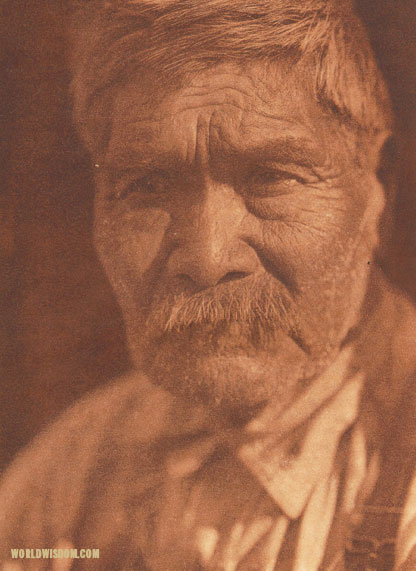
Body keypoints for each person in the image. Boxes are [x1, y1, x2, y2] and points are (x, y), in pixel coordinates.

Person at [1, 0, 416, 569]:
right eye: (147, 186)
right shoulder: (64, 483)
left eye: (271, 177)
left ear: (378, 189)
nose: (207, 257)